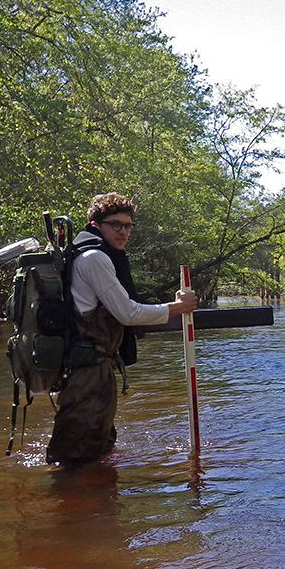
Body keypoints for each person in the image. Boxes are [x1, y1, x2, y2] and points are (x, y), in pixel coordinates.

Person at [46, 192, 197, 467]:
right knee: (77, 455)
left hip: (94, 369)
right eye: (116, 224)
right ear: (96, 224)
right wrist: (178, 307)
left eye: (127, 225)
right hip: (88, 372)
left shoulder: (92, 252)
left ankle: (82, 506)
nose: (123, 231)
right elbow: (128, 313)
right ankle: (70, 502)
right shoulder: (94, 258)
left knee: (98, 449)